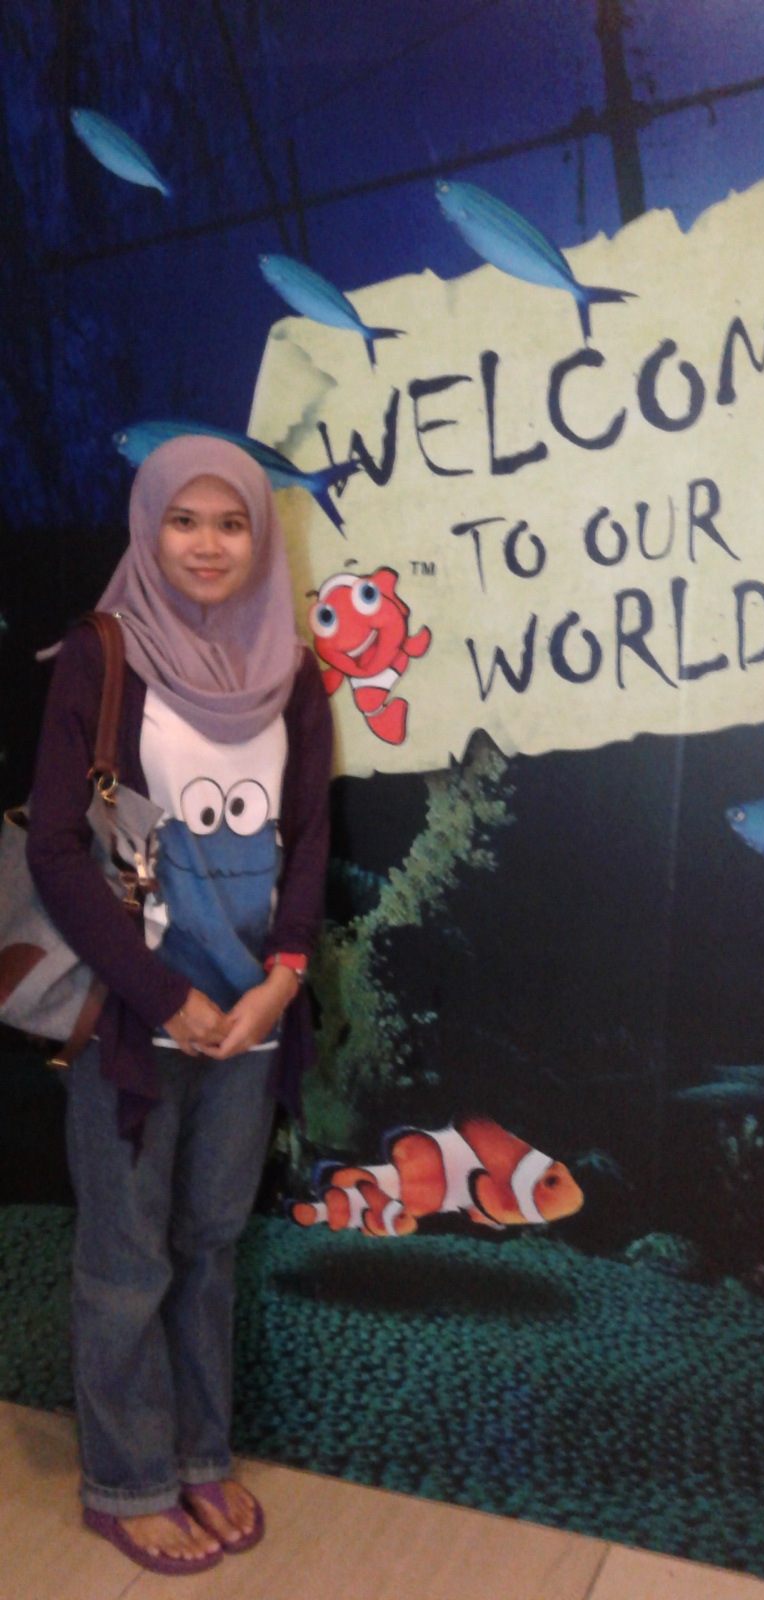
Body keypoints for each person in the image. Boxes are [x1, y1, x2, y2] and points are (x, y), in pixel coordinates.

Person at [26, 435, 332, 1575]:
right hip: (133, 1021)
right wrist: (167, 994)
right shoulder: (104, 654)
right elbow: (57, 850)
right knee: (124, 1259)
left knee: (209, 1245)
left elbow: (309, 837)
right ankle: (126, 1479)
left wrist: (281, 979)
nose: (208, 545)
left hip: (251, 1020)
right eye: (183, 520)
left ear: (261, 537)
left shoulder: (293, 671)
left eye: (232, 522)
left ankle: (201, 1453)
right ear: (148, 529)